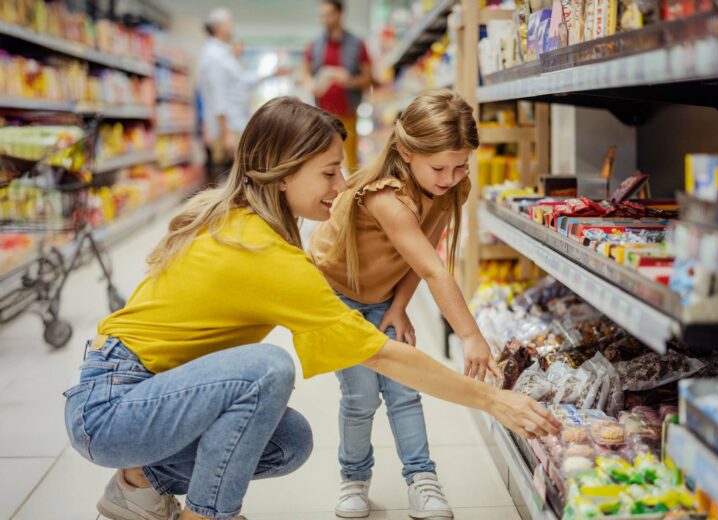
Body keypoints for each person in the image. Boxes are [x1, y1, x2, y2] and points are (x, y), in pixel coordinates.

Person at [62, 97, 561, 520]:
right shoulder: (263, 253)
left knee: (290, 442)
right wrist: (493, 400)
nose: (341, 185)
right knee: (266, 369)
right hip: (110, 408)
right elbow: (382, 356)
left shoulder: (242, 222)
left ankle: (137, 485)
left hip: (137, 394)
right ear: (282, 175)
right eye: (328, 172)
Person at [308, 90, 501, 519]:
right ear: (405, 153)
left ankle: (422, 478)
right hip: (336, 298)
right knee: (360, 397)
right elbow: (436, 270)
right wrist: (469, 335)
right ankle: (353, 478)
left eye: (460, 166)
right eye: (439, 167)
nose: (450, 177)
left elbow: (425, 251)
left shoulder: (449, 188)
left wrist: (399, 304)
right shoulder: (385, 199)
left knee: (405, 390)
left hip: (381, 295)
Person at [197, 8, 277, 185]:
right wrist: (226, 132)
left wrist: (271, 74)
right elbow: (218, 96)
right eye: (229, 23)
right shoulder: (214, 56)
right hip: (226, 126)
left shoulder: (224, 54)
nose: (232, 28)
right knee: (229, 176)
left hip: (234, 124)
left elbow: (241, 82)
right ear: (218, 27)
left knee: (237, 175)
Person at [302, 0, 372, 173]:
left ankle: (352, 198)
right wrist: (310, 83)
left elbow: (368, 78)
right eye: (322, 15)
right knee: (323, 160)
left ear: (340, 14)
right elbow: (304, 73)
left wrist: (348, 80)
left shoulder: (357, 44)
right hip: (322, 115)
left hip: (348, 113)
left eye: (328, 14)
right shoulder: (315, 45)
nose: (324, 19)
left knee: (351, 162)